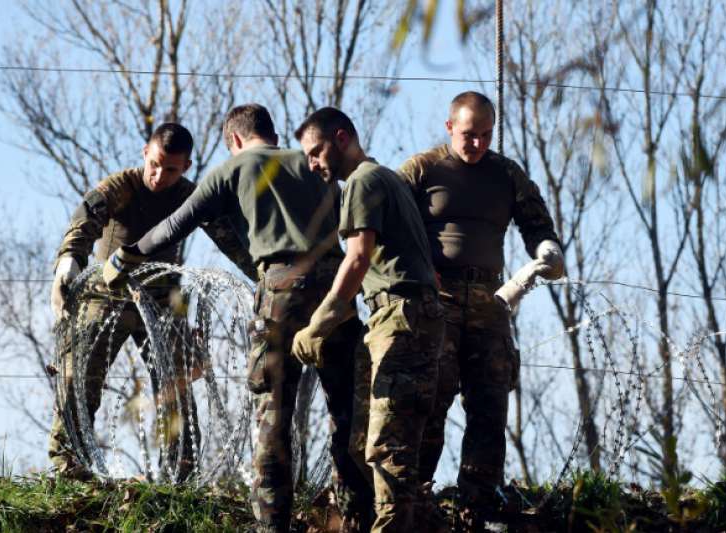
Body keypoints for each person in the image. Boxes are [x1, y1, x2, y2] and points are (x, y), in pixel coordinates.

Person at [103, 104, 373, 533]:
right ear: (273, 133)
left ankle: (272, 524)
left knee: (273, 414)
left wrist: (127, 254)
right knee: (347, 409)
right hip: (336, 289)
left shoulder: (235, 167)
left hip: (282, 290)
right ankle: (360, 517)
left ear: (234, 140)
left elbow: (177, 222)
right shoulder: (312, 163)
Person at [48, 122, 257, 482]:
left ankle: (181, 473)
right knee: (80, 380)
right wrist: (69, 261)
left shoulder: (192, 196)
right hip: (108, 295)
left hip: (162, 299)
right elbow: (85, 221)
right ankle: (68, 467)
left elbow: (231, 240)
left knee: (175, 387)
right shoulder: (120, 187)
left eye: (171, 169)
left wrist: (264, 276)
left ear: (186, 167)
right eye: (155, 164)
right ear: (145, 152)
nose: (159, 175)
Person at [396, 91, 563, 528]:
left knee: (490, 402)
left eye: (486, 135)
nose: (477, 144)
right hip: (437, 302)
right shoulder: (421, 170)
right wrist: (414, 273)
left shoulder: (506, 174)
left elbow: (536, 222)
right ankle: (418, 498)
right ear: (450, 127)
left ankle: (478, 505)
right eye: (469, 135)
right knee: (431, 399)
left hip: (489, 302)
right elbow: (385, 221)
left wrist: (547, 248)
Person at [293, 107, 444, 533]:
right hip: (395, 317)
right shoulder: (386, 178)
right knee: (367, 442)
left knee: (388, 448)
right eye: (307, 157)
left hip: (402, 316)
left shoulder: (362, 181)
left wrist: (319, 322)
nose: (313, 163)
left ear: (341, 139)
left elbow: (358, 258)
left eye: (317, 151)